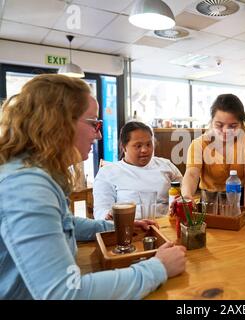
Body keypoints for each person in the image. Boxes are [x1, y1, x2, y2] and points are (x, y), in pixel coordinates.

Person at [0, 74, 186, 299]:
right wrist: (158, 268)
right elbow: (64, 292)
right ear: (58, 123)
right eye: (93, 123)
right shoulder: (26, 186)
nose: (98, 134)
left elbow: (65, 223)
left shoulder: (34, 173)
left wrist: (117, 227)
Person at [181, 94, 245, 218]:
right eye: (219, 125)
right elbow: (192, 173)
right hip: (210, 202)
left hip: (241, 199)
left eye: (233, 126)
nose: (226, 131)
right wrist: (187, 196)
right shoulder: (199, 144)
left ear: (242, 124)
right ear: (211, 122)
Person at [93, 121, 182, 220]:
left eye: (148, 144)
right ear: (124, 147)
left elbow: (185, 192)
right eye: (138, 146)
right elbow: (101, 210)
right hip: (131, 228)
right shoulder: (107, 173)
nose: (144, 150)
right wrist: (107, 215)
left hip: (167, 225)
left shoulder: (166, 165)